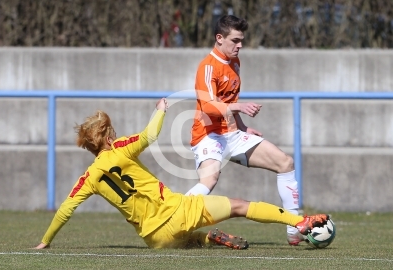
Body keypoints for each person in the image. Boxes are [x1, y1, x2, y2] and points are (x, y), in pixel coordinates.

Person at [34, 98, 329, 250]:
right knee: (241, 206)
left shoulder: (89, 177)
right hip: (177, 211)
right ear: (107, 137)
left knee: (188, 241)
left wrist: (46, 241)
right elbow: (150, 135)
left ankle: (208, 240)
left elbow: (65, 210)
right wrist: (161, 109)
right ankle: (300, 221)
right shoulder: (120, 148)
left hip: (154, 239)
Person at [185, 14, 304, 246]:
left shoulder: (235, 63)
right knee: (209, 181)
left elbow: (229, 100)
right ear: (219, 38)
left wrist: (243, 127)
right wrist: (239, 107)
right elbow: (209, 107)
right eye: (235, 41)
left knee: (285, 163)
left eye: (242, 41)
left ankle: (295, 228)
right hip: (208, 136)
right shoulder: (207, 67)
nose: (240, 46)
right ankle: (172, 217)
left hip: (233, 134)